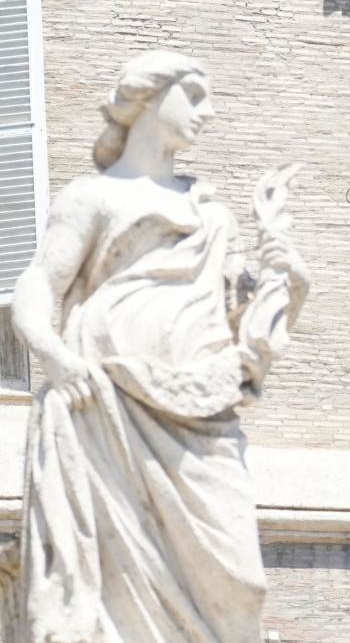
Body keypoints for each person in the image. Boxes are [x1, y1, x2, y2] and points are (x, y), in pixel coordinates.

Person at [0, 51, 308, 642]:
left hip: (202, 409)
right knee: (99, 598)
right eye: (193, 95)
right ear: (146, 95)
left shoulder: (212, 213)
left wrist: (280, 264)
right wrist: (56, 357)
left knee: (242, 585)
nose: (208, 113)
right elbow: (40, 283)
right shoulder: (93, 197)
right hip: (104, 405)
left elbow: (241, 316)